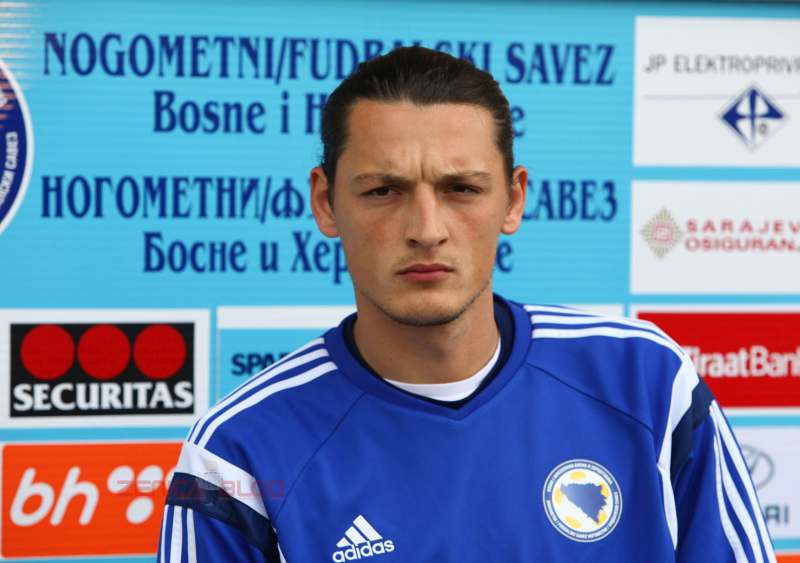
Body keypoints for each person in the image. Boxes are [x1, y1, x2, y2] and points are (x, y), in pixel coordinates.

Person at [158, 46, 775, 562]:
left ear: (513, 199)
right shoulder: (235, 452)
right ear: (326, 202)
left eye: (461, 188)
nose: (426, 229)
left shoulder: (645, 381)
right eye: (383, 190)